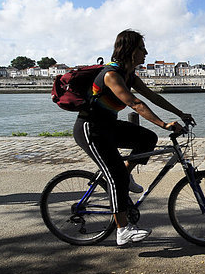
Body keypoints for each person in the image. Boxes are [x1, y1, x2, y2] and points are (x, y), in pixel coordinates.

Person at [73, 29, 194, 246]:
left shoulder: (130, 75)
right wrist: (164, 124)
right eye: (141, 48)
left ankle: (125, 175)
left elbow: (152, 96)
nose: (145, 52)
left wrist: (180, 114)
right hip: (91, 130)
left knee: (147, 138)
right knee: (116, 175)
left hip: (108, 126)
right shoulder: (112, 75)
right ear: (129, 50)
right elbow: (135, 104)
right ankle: (123, 231)